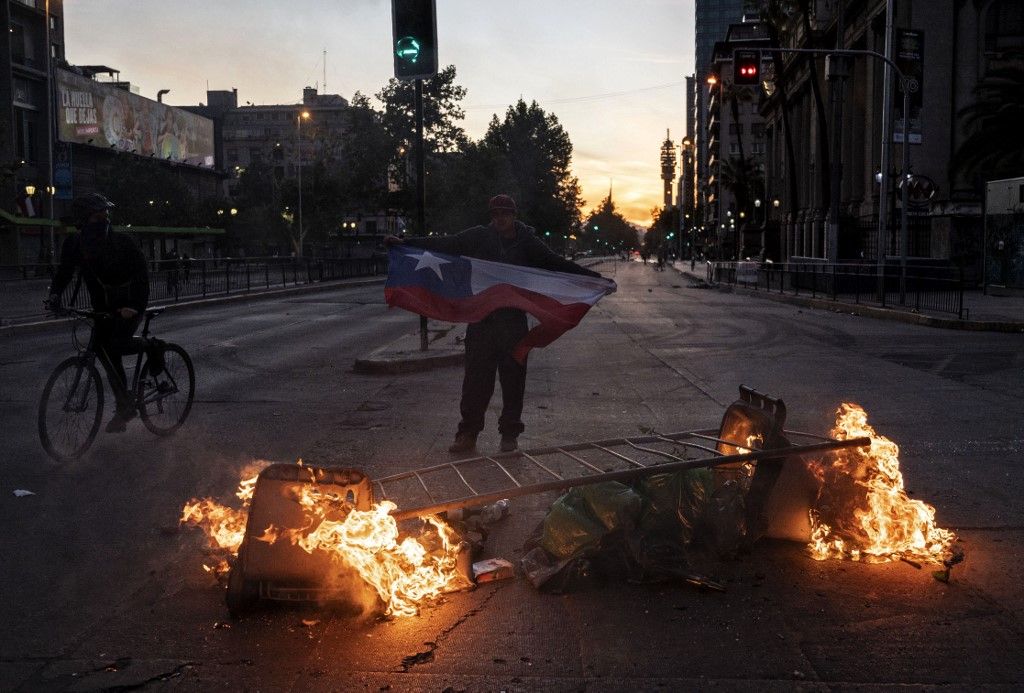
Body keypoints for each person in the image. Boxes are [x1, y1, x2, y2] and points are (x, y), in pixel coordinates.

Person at [386, 194, 609, 455]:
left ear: (513, 215)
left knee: (513, 382)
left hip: (513, 323)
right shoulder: (479, 237)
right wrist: (405, 243)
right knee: (475, 383)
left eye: (504, 213)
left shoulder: (527, 243)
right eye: (495, 214)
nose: (499, 219)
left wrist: (594, 279)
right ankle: (467, 434)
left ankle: (509, 435)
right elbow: (445, 244)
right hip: (481, 322)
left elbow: (555, 263)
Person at [46, 193, 150, 433]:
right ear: (83, 220)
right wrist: (55, 295)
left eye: (106, 215)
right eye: (97, 216)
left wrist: (134, 307)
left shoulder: (122, 242)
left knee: (115, 347)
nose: (104, 220)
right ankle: (124, 406)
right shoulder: (75, 244)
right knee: (103, 353)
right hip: (101, 308)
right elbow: (65, 272)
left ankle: (151, 348)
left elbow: (142, 276)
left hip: (128, 305)